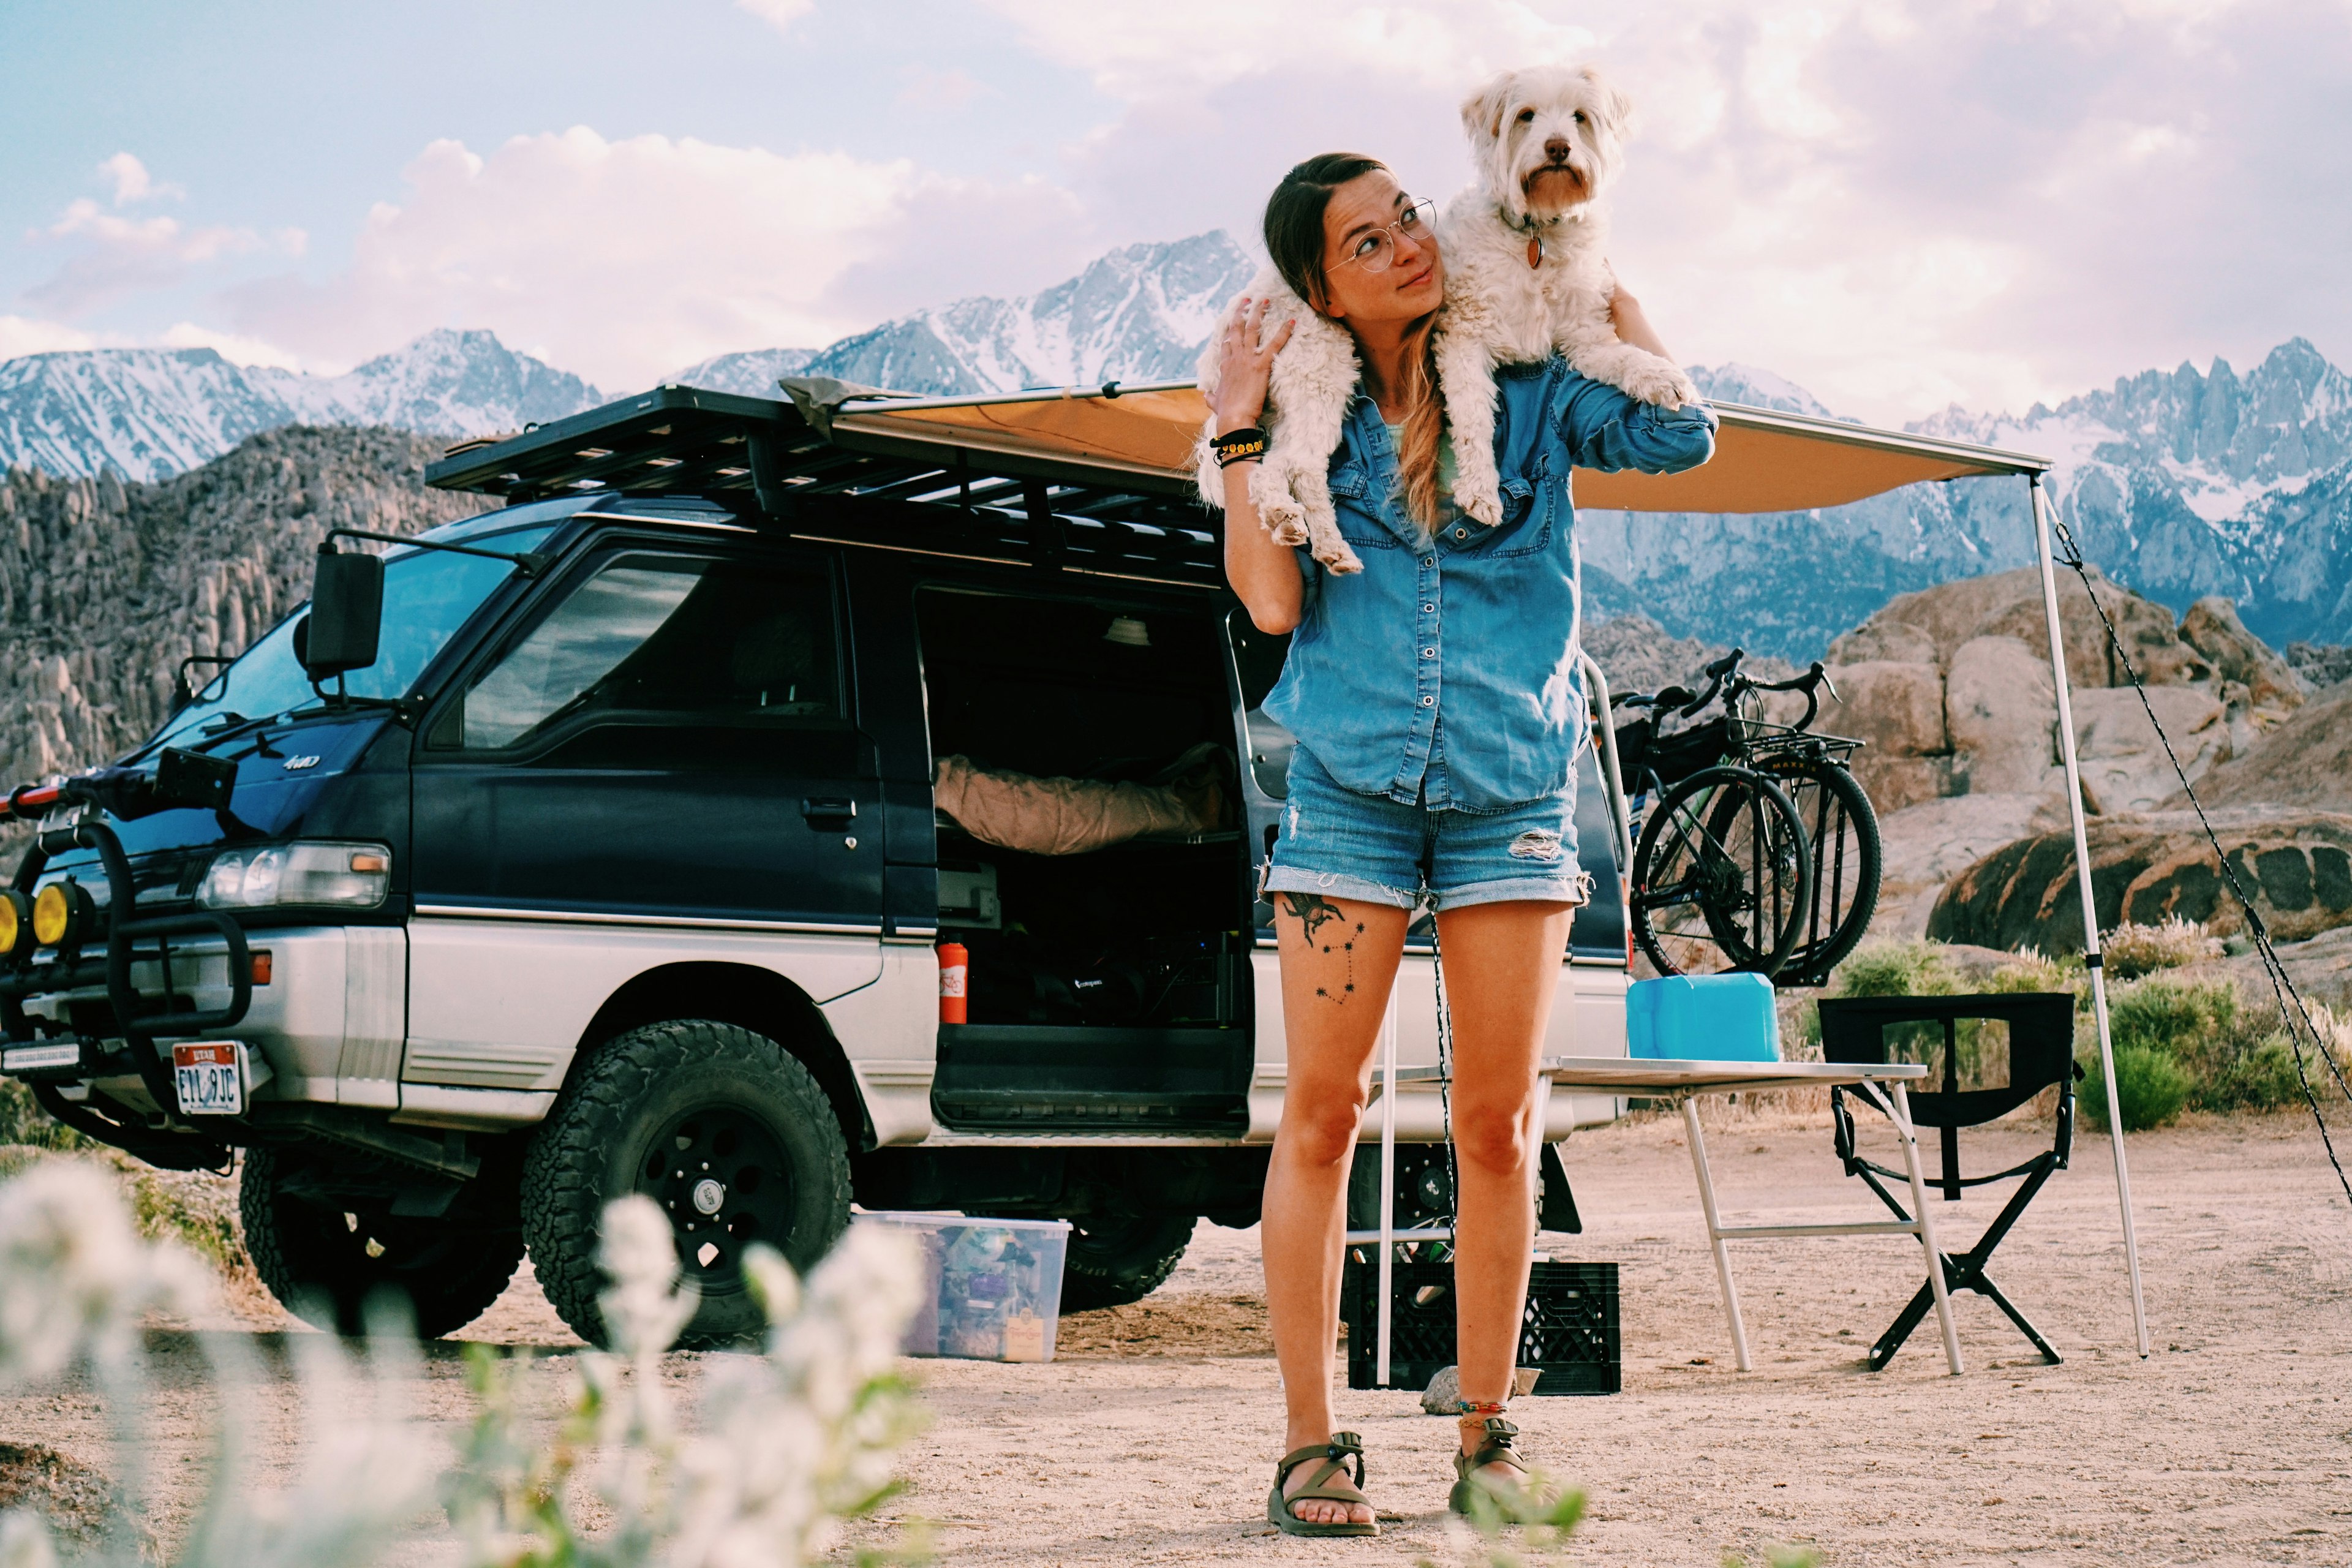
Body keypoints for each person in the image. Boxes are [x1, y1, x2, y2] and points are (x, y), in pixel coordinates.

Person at [1211, 152, 1716, 1536]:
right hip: (1349, 798)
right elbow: (1266, 605)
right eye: (1368, 243)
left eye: (1410, 218)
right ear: (1322, 288)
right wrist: (1239, 423)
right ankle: (1314, 1441)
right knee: (1321, 1119)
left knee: (1498, 1127)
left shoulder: (1534, 385)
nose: (1408, 246)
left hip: (1509, 793)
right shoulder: (1298, 424)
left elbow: (1685, 440)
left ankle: (1489, 1435)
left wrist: (1588, 275)